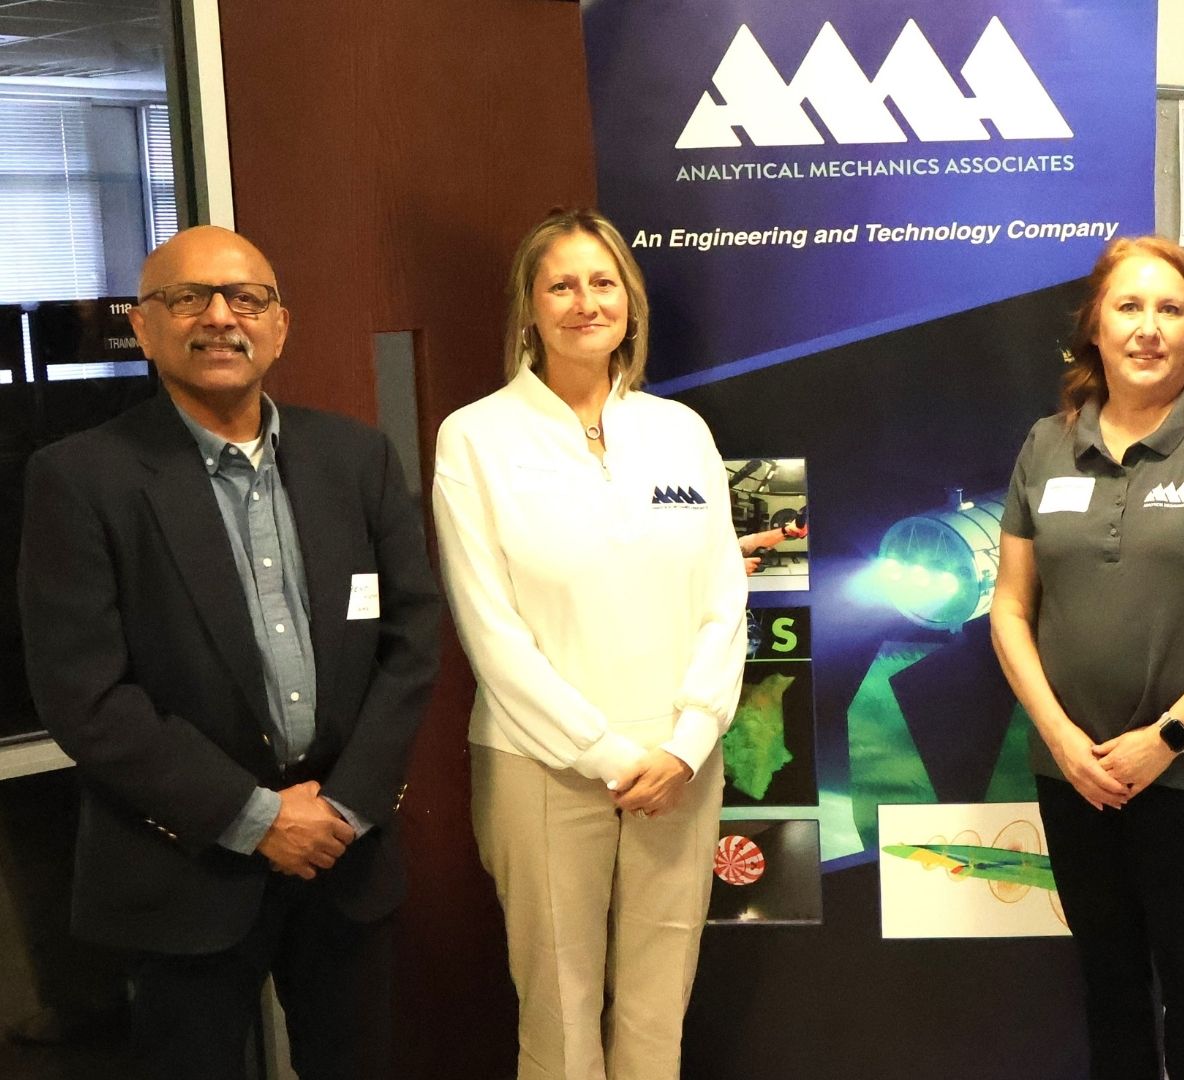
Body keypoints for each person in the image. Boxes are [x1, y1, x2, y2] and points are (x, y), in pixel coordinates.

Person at [16, 225, 442, 1079]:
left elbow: (414, 636)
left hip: (345, 859)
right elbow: (85, 696)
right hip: (181, 867)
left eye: (246, 298)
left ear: (279, 326)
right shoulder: (81, 477)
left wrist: (345, 809)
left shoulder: (355, 457)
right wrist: (257, 820)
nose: (220, 317)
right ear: (142, 326)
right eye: (188, 297)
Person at [433, 208, 746, 1080]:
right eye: (560, 284)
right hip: (542, 767)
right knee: (559, 1016)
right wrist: (604, 754)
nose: (584, 302)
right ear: (528, 309)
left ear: (630, 305)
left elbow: (724, 600)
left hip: (680, 765)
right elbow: (489, 631)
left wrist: (685, 743)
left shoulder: (680, 431)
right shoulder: (476, 438)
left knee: (657, 1010)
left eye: (602, 282)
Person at [990, 235, 1184, 1080]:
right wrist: (1060, 738)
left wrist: (1163, 739)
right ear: (1094, 326)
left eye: (1170, 310)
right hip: (1076, 773)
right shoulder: (1046, 445)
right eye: (1128, 307)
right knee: (1108, 979)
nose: (1148, 328)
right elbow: (1011, 607)